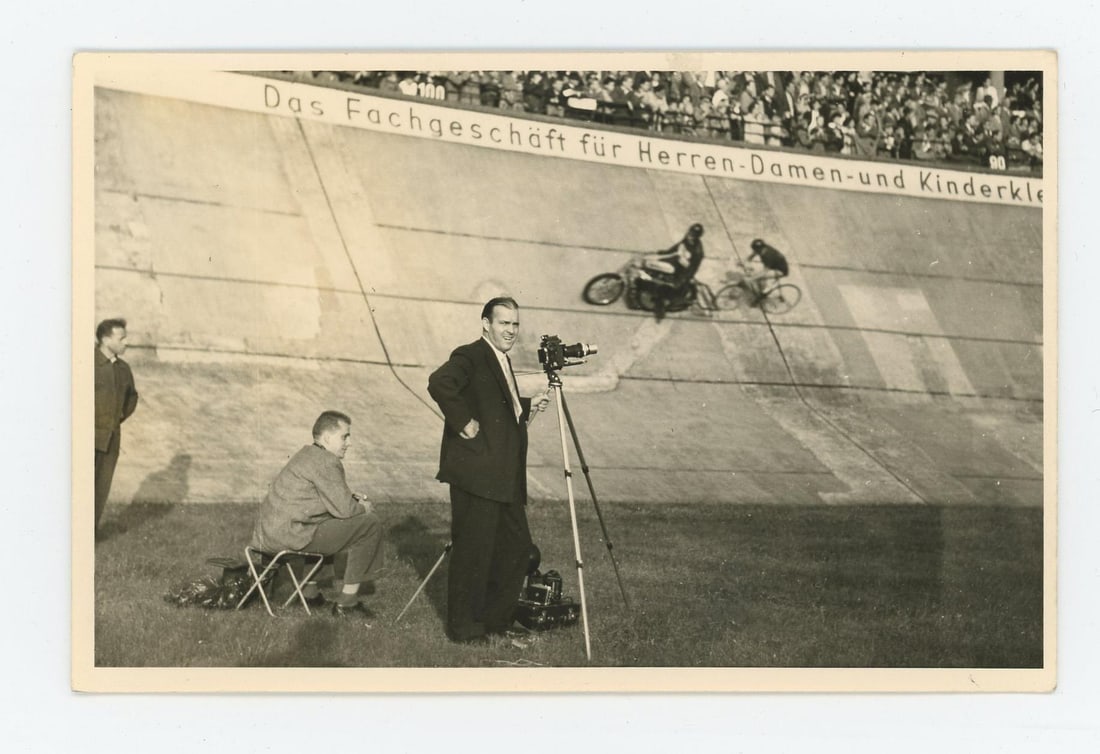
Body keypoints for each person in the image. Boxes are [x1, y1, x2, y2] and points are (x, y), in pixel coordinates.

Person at [427, 297, 551, 644]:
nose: (510, 330)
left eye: (515, 324)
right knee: (473, 550)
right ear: (486, 324)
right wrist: (463, 421)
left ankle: (496, 619)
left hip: (502, 475)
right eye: (503, 323)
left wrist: (526, 406)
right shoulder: (471, 354)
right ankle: (464, 628)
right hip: (476, 474)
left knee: (516, 548)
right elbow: (439, 383)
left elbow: (496, 405)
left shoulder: (501, 359)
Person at [249, 410, 384, 617]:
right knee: (369, 524)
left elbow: (329, 500)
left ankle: (310, 594)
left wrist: (350, 500)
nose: (349, 443)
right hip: (290, 537)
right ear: (328, 438)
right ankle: (347, 603)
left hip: (267, 537)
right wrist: (363, 506)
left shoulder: (307, 454)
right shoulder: (326, 461)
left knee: (328, 521)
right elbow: (346, 510)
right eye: (344, 436)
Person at [95, 318, 139, 533]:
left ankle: (88, 535)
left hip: (111, 439)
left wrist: (115, 419)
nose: (127, 342)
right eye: (121, 338)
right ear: (105, 339)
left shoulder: (123, 369)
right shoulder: (85, 363)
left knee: (100, 489)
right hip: (85, 438)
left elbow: (131, 399)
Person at [633, 223, 706, 321]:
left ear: (696, 237)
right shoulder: (686, 240)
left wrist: (680, 280)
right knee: (652, 267)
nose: (689, 235)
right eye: (689, 232)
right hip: (675, 262)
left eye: (692, 235)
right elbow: (674, 249)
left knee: (666, 286)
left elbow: (692, 269)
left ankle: (662, 304)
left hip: (682, 272)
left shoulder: (697, 252)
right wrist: (659, 253)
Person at [743, 238, 790, 303]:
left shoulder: (768, 256)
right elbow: (752, 255)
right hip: (773, 266)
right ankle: (761, 286)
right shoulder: (763, 248)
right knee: (755, 273)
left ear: (760, 249)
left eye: (756, 250)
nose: (755, 251)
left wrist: (752, 278)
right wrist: (744, 261)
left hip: (780, 271)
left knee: (758, 276)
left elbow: (765, 272)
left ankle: (761, 297)